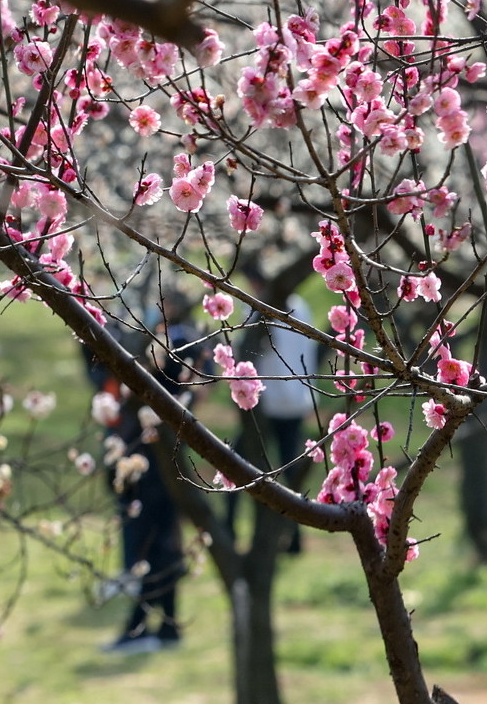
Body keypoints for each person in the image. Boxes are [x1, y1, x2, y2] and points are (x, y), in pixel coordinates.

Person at [89, 291, 202, 654]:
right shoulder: (158, 353)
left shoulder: (176, 349)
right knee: (161, 546)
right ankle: (163, 627)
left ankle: (141, 628)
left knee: (154, 547)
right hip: (154, 463)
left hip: (153, 466)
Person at [226, 274, 318, 549]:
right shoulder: (300, 307)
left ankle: (229, 525)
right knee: (290, 469)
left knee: (236, 463)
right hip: (295, 401)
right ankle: (295, 538)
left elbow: (249, 352)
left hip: (265, 403)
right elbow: (309, 352)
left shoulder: (258, 309)